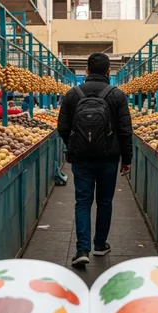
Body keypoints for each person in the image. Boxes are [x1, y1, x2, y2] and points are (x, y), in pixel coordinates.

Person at [57, 52, 133, 267]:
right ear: (109, 71)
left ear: (87, 71)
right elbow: (126, 131)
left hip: (81, 159)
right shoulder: (117, 95)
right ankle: (100, 245)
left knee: (82, 202)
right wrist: (127, 158)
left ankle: (82, 249)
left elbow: (62, 127)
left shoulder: (73, 94)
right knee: (105, 201)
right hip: (109, 158)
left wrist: (74, 145)